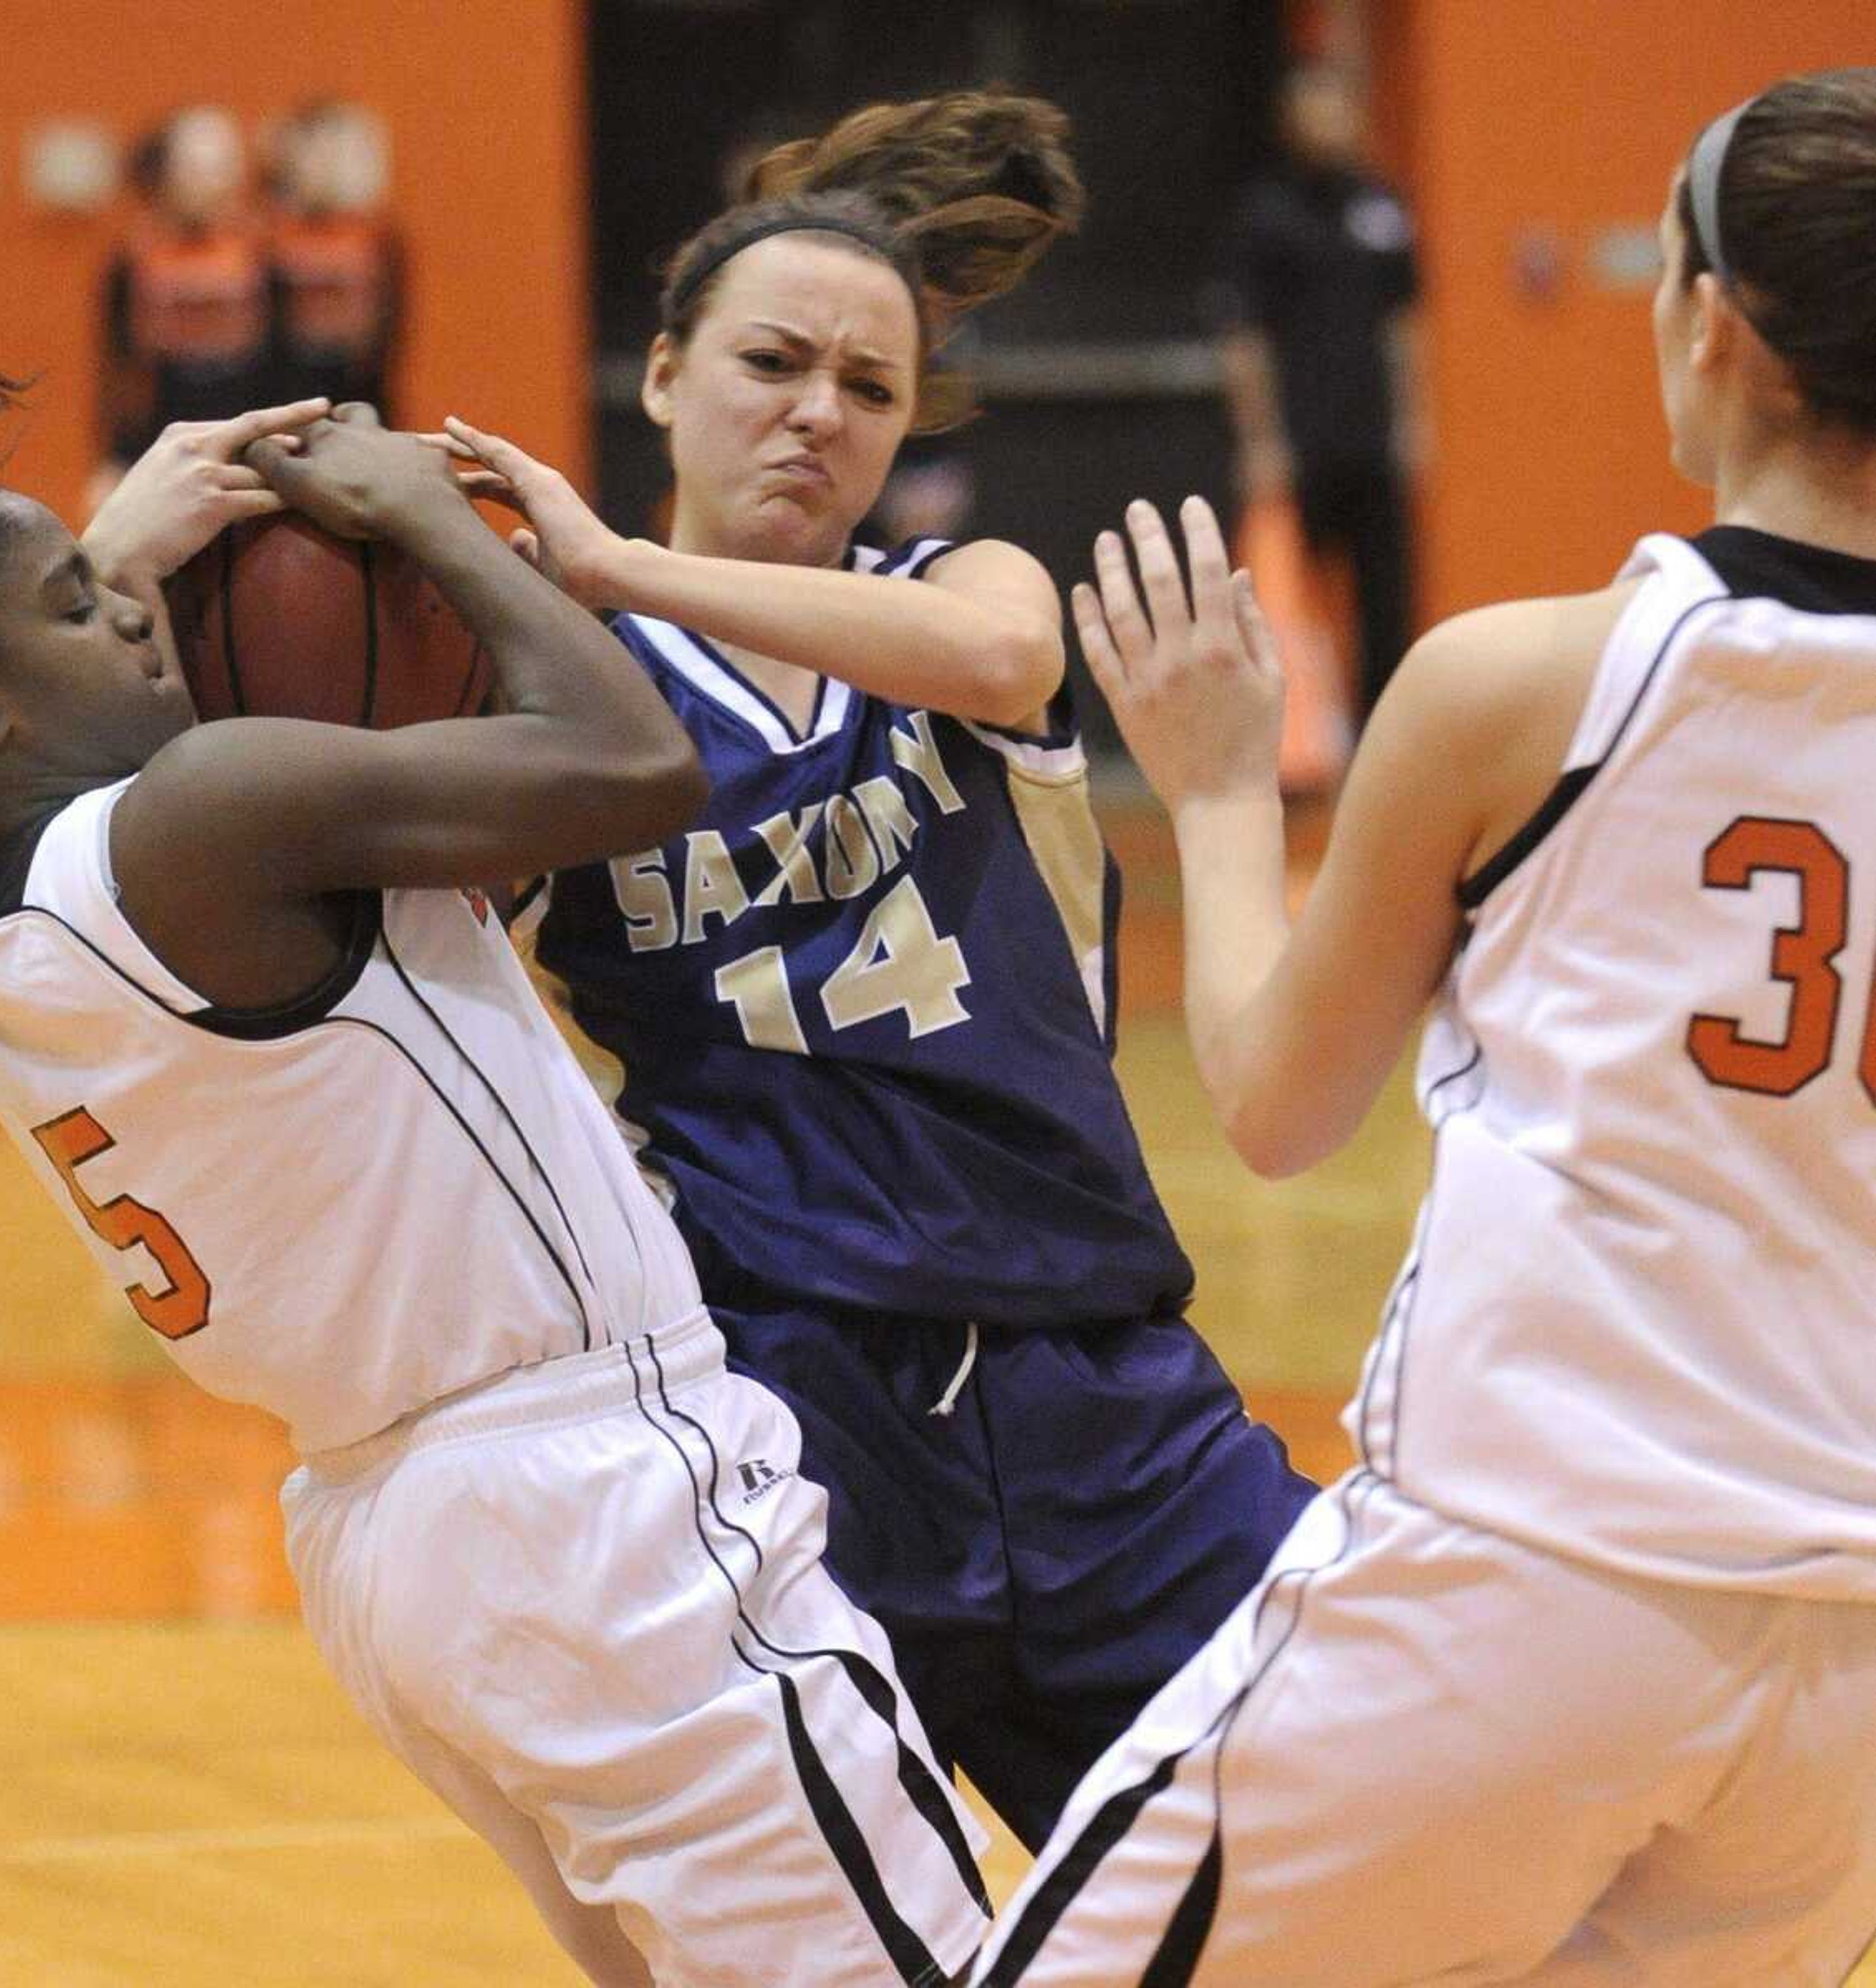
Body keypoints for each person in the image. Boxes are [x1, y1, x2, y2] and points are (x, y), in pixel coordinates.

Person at [0, 293, 996, 1988]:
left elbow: (40, 723)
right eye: (80, 605)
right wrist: (427, 515)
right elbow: (636, 759)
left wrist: (85, 563)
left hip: (396, 1544)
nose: (134, 618)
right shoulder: (204, 815)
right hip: (591, 1502)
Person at [982, 66, 1876, 1986]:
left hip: (1527, 1577)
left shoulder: (1517, 684)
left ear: (1707, 320)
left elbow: (1280, 1100)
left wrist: (1224, 786)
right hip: (1845, 1669)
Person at [439, 90, 1315, 1852]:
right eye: (774, 364)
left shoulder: (956, 589)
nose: (818, 415)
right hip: (797, 1424)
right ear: (666, 369)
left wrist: (614, 563)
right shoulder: (564, 706)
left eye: (870, 388)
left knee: (1354, 1861)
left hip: (1104, 1391)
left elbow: (1001, 648)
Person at [1209, 60, 1424, 723]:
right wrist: (1261, 442)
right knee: (1282, 602)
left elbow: (1406, 323)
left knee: (1386, 606)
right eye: (1315, 103)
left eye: (1339, 102)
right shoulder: (1265, 216)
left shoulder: (1383, 208)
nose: (1329, 117)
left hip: (1372, 441)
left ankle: (1381, 736)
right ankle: (1284, 739)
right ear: (1291, 117)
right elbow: (1243, 339)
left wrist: (1416, 421)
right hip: (1299, 446)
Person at [91, 106, 282, 510]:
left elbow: (283, 358)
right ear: (165, 173)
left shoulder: (261, 252)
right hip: (161, 446)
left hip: (247, 444)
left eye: (226, 166)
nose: (217, 181)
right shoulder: (135, 257)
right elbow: (119, 370)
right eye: (200, 166)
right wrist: (115, 458)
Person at [263, 99, 401, 416]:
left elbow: (387, 339)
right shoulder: (270, 239)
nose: (326, 167)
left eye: (337, 155)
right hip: (281, 402)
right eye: (315, 153)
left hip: (362, 402)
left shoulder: (376, 240)